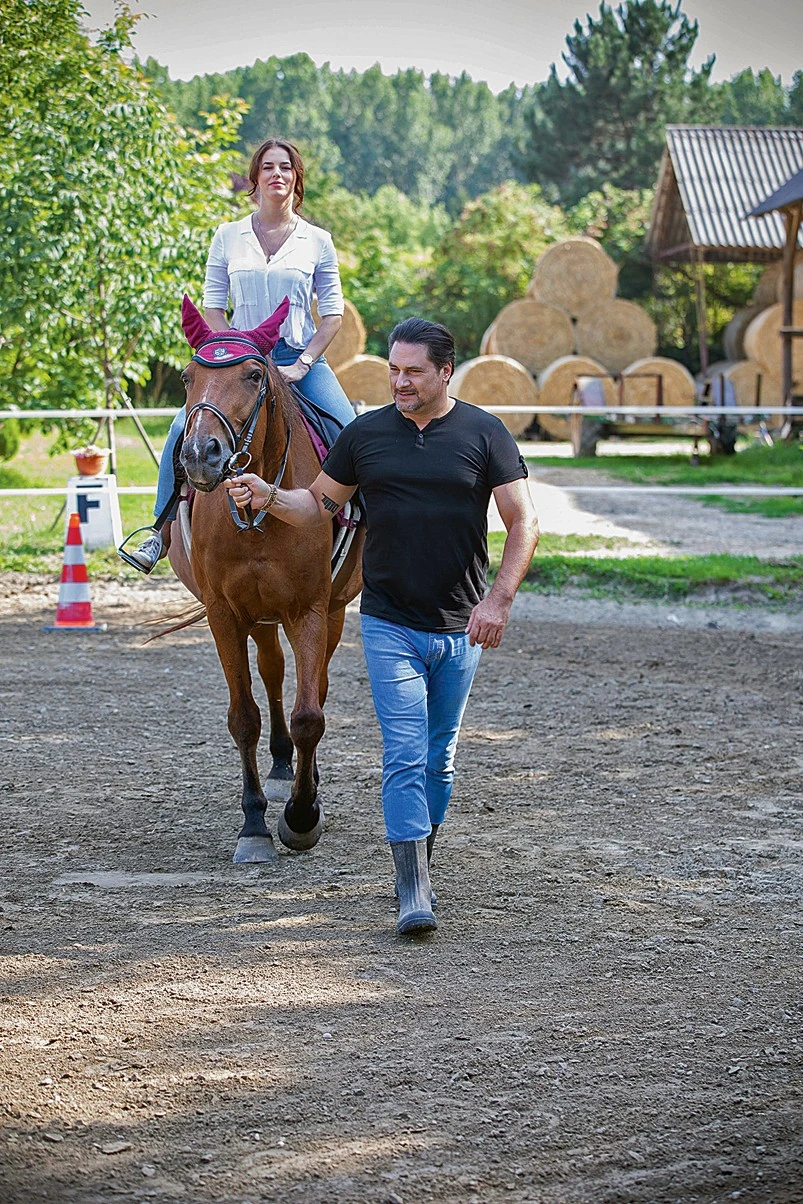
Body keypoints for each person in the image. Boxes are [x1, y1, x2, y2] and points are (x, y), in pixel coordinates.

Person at [224, 317, 540, 937]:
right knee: (402, 753)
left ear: (445, 371)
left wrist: (498, 600)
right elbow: (316, 505)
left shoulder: (485, 434)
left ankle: (422, 850)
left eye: (413, 371)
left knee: (439, 760)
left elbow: (523, 522)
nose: (399, 380)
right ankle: (412, 890)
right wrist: (267, 496)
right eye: (393, 369)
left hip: (460, 626)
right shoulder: (366, 436)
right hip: (389, 621)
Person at [122, 137, 355, 573]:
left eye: (285, 167)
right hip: (237, 356)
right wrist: (237, 354)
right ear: (255, 178)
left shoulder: (318, 241)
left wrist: (302, 363)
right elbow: (213, 305)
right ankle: (159, 530)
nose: (277, 174)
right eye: (267, 167)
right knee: (180, 431)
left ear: (296, 177)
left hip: (296, 358)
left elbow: (334, 315)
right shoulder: (227, 235)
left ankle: (370, 532)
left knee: (351, 432)